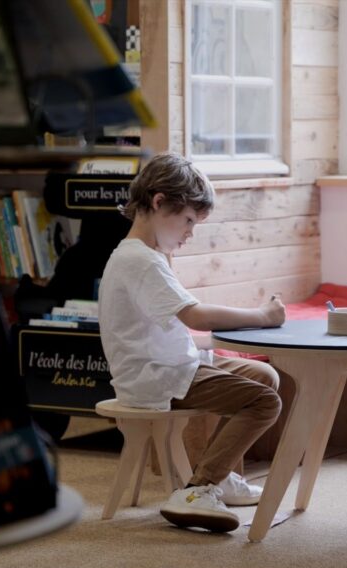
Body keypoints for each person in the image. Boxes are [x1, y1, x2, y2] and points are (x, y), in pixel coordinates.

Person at [98, 152, 285, 533]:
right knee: (265, 402)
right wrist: (262, 317)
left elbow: (170, 329)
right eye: (188, 220)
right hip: (155, 377)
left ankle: (218, 474)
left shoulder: (150, 255)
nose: (190, 232)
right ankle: (197, 489)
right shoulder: (140, 260)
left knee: (264, 376)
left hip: (168, 365)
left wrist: (209, 345)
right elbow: (194, 315)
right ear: (159, 201)